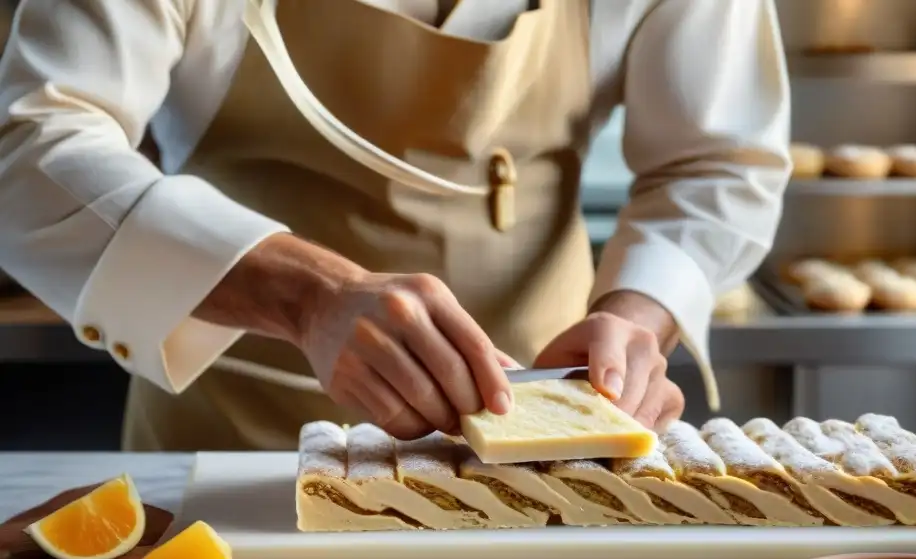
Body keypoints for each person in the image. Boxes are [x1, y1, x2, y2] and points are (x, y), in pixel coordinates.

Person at [0, 0, 791, 451]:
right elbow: (29, 145)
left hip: (544, 442)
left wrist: (635, 316)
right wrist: (310, 297)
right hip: (232, 448)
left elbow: (715, 164)